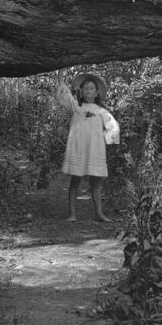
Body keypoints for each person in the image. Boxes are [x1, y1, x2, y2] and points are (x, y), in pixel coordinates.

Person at [56, 72, 119, 223]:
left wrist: (109, 139)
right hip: (78, 149)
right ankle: (72, 214)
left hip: (95, 150)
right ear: (81, 92)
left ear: (97, 93)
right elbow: (65, 96)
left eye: (91, 88)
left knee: (96, 183)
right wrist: (60, 78)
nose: (88, 90)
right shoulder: (77, 107)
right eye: (85, 88)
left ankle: (99, 213)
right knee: (75, 180)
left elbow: (113, 126)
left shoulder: (101, 111)